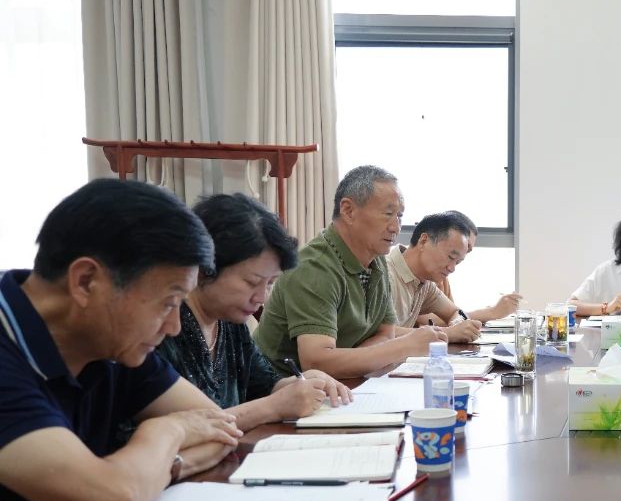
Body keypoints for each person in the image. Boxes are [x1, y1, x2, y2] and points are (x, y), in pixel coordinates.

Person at [0, 180, 243, 501]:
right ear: (87, 281)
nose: (174, 326)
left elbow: (217, 428)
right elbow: (113, 498)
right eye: (168, 302)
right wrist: (161, 436)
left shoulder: (114, 343)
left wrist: (138, 476)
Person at [154, 194, 351, 431]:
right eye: (252, 282)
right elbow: (182, 430)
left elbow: (265, 384)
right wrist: (272, 407)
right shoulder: (162, 327)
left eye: (270, 284)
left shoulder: (230, 320)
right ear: (206, 268)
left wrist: (304, 381)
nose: (261, 297)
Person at [253, 165, 444, 379]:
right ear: (348, 210)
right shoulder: (315, 267)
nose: (395, 227)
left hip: (340, 384)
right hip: (279, 388)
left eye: (399, 216)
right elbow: (316, 362)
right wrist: (404, 346)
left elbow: (385, 332)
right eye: (388, 214)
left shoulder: (376, 260)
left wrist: (353, 361)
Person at [386, 212, 482, 341]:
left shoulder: (425, 283)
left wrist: (458, 324)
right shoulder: (384, 275)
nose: (452, 268)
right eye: (451, 257)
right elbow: (379, 335)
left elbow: (455, 312)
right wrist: (448, 333)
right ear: (424, 241)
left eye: (457, 262)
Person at [420, 210, 522, 324]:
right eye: (464, 244)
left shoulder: (442, 277)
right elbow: (429, 321)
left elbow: (453, 316)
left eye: (468, 250)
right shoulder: (422, 275)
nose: (463, 253)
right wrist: (491, 312)